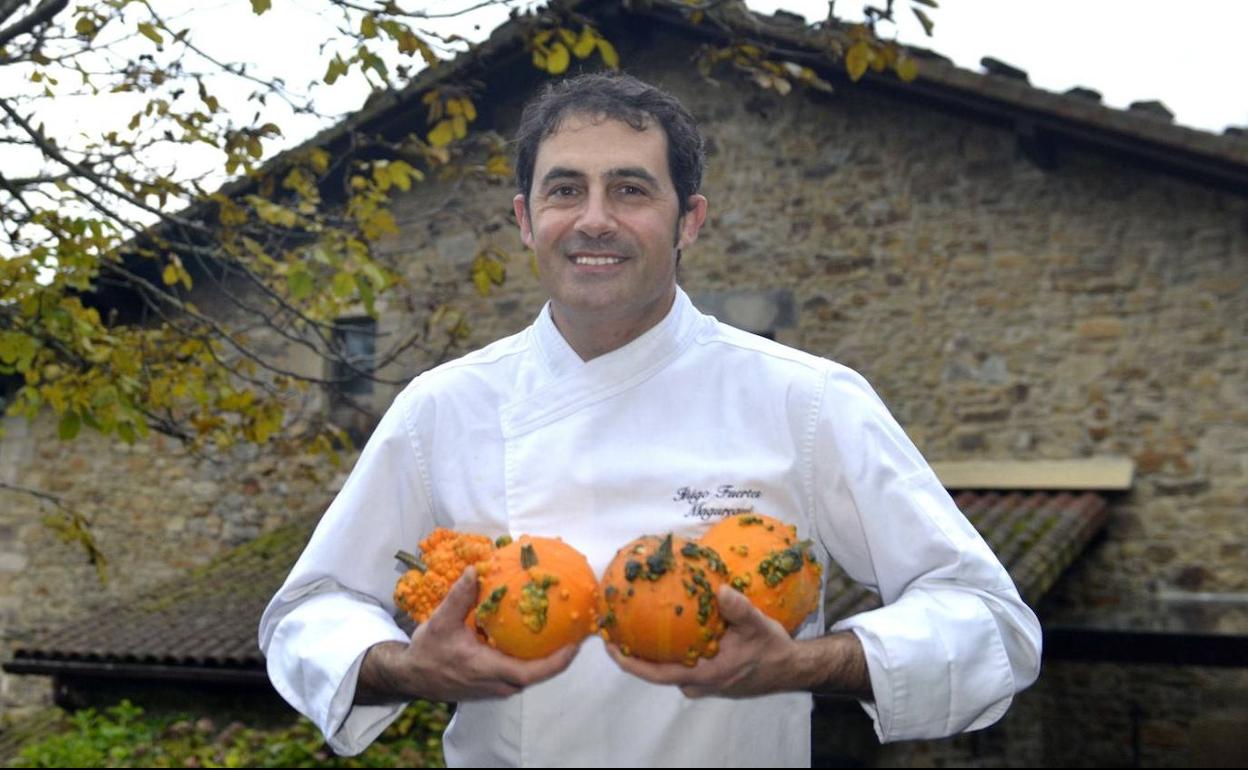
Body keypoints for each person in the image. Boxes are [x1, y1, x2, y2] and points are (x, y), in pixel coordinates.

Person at [259, 72, 1042, 767]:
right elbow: (310, 612)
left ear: (689, 220)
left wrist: (809, 664)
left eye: (630, 190)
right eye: (565, 190)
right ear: (527, 220)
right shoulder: (444, 406)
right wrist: (402, 667)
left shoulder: (805, 399)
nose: (593, 219)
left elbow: (989, 625)